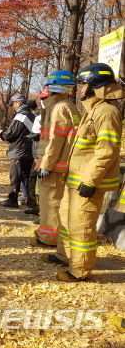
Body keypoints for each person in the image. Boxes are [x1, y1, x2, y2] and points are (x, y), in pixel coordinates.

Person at [43, 63, 123, 282]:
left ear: (96, 86)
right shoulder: (93, 110)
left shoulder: (107, 112)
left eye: (84, 84)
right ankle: (64, 255)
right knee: (66, 219)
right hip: (75, 179)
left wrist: (90, 180)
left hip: (87, 182)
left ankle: (79, 270)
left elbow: (106, 150)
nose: (79, 89)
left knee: (81, 226)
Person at [30, 71, 80, 248]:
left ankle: (49, 237)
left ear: (54, 88)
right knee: (53, 203)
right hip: (60, 165)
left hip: (54, 167)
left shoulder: (59, 108)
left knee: (50, 203)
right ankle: (50, 235)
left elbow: (54, 140)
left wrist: (47, 164)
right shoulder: (66, 105)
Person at [0, 93, 35, 208]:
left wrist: (1, 133)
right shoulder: (32, 116)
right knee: (26, 177)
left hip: (19, 151)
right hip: (30, 151)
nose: (13, 106)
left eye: (13, 104)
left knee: (15, 176)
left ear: (18, 103)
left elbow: (11, 135)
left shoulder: (20, 116)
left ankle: (12, 200)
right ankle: (30, 200)